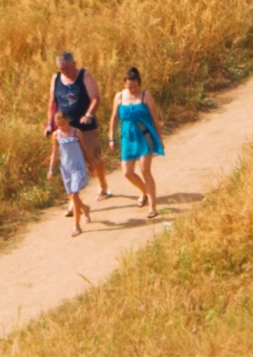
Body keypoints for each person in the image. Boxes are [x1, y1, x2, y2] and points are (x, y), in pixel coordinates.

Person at [47, 51, 113, 198]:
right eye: (62, 70)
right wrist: (49, 123)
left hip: (85, 127)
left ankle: (103, 184)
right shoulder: (56, 79)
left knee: (94, 158)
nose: (66, 72)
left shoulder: (85, 76)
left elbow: (95, 98)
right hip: (65, 129)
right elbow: (52, 102)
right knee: (70, 164)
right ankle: (74, 201)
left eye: (69, 68)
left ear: (74, 64)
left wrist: (89, 114)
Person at [114, 67, 166, 215]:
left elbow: (154, 119)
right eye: (130, 87)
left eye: (136, 86)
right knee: (127, 173)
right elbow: (114, 117)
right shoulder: (119, 97)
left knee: (145, 170)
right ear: (124, 84)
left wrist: (160, 138)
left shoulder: (146, 96)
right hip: (127, 139)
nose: (133, 89)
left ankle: (152, 206)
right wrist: (112, 137)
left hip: (144, 137)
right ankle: (144, 191)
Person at [48, 109, 92, 234]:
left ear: (68, 121)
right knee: (72, 196)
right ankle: (85, 208)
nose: (61, 126)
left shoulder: (76, 132)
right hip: (65, 168)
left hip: (77, 167)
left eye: (63, 123)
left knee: (74, 194)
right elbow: (54, 152)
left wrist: (91, 163)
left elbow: (85, 149)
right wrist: (51, 169)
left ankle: (76, 226)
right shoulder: (56, 135)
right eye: (58, 124)